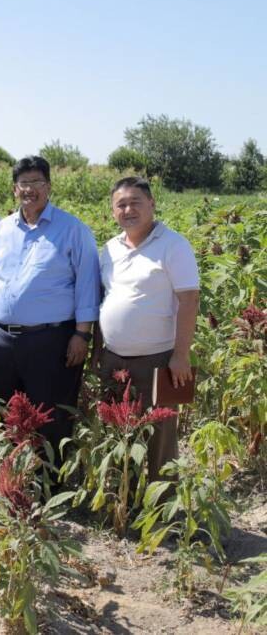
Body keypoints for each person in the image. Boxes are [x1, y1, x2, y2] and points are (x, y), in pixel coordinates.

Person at [0, 156, 100, 457]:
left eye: (37, 182)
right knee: (0, 412)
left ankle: (50, 488)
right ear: (14, 189)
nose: (30, 189)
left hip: (49, 341)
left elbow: (87, 285)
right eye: (24, 183)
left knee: (50, 417)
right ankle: (10, 480)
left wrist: (82, 334)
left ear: (49, 187)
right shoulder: (1, 230)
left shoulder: (73, 230)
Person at [96, 176, 198, 482]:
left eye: (135, 202)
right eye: (121, 204)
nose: (128, 209)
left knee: (160, 440)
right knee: (116, 435)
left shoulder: (173, 245)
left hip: (158, 359)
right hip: (114, 359)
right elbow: (104, 299)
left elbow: (189, 300)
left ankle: (163, 513)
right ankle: (120, 503)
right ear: (113, 211)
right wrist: (98, 350)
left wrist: (180, 356)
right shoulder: (110, 248)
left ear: (152, 204)